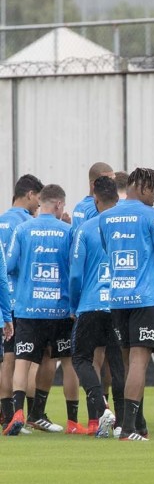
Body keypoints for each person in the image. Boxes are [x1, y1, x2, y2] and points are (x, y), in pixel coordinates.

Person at [98, 168, 154, 441]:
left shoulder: (106, 217)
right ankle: (127, 429)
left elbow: (107, 250)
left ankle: (137, 423)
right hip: (145, 297)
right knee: (139, 361)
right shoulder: (151, 216)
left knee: (126, 362)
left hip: (117, 298)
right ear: (142, 187)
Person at [3, 184, 74, 436]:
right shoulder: (67, 231)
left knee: (22, 361)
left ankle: (17, 414)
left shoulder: (22, 230)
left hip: (27, 308)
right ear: (58, 205)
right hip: (59, 309)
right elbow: (74, 269)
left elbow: (8, 265)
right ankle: (39, 414)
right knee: (51, 359)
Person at [69, 176, 121, 438]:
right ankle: (126, 421)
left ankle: (101, 408)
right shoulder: (126, 227)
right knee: (118, 362)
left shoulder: (86, 229)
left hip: (91, 304)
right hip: (121, 305)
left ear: (95, 199)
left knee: (81, 358)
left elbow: (76, 275)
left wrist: (73, 303)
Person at [0, 174, 43, 433]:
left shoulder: (1, 220)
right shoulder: (29, 224)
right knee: (28, 359)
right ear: (29, 194)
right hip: (21, 300)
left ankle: (6, 415)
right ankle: (28, 414)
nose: (38, 204)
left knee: (6, 359)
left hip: (3, 302)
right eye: (38, 198)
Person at [71, 162, 115, 232]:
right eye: (108, 181)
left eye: (113, 180)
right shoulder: (103, 206)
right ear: (94, 184)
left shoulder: (79, 207)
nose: (113, 184)